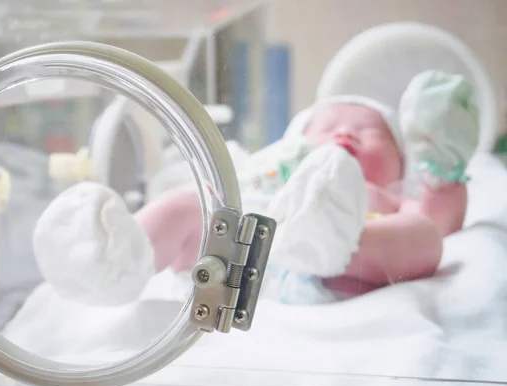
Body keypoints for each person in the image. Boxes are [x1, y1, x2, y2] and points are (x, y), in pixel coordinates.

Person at [33, 70, 479, 305]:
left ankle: (326, 237)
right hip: (245, 250)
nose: (346, 134)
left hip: (345, 265)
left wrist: (441, 171)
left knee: (422, 238)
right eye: (327, 127)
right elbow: (216, 192)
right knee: (187, 209)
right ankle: (115, 259)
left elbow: (440, 223)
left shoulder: (385, 196)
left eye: (371, 133)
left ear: (400, 163)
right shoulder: (267, 176)